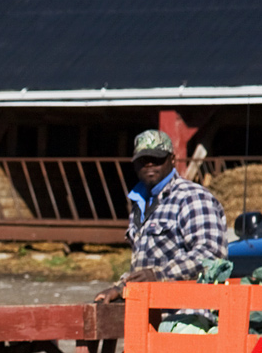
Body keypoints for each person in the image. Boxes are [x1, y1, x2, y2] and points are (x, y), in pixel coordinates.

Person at [95, 129, 227, 303]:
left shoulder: (191, 197)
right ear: (134, 164)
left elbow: (212, 254)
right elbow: (144, 268)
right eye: (143, 160)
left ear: (172, 160)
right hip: (146, 311)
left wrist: (159, 275)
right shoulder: (139, 203)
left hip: (186, 313)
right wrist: (120, 288)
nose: (149, 164)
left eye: (157, 158)